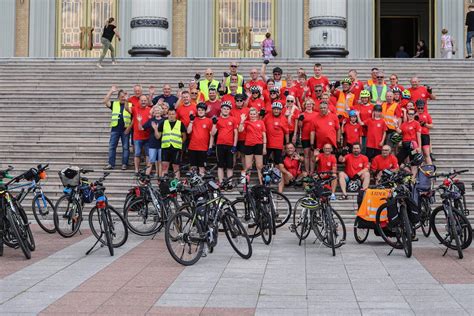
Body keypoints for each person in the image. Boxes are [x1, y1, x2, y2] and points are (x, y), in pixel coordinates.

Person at [152, 107, 187, 178]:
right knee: (164, 167)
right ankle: (163, 183)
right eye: (170, 114)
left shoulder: (180, 123)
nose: (171, 115)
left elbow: (184, 136)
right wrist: (155, 129)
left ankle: (176, 184)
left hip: (176, 148)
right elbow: (158, 137)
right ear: (167, 114)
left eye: (173, 114)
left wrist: (180, 143)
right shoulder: (163, 123)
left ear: (175, 115)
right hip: (166, 147)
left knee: (176, 167)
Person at [103, 86, 131, 170]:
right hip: (115, 129)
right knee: (112, 147)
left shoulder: (129, 104)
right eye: (121, 97)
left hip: (125, 130)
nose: (123, 98)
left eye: (124, 96)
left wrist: (129, 128)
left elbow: (133, 117)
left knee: (126, 147)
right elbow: (105, 101)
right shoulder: (114, 104)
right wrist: (111, 91)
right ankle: (111, 164)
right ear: (118, 97)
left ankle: (124, 164)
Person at [264, 102, 289, 192]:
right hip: (268, 144)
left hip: (278, 145)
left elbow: (286, 132)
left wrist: (286, 144)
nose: (276, 110)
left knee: (279, 166)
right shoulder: (267, 116)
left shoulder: (283, 118)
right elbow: (262, 128)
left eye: (278, 109)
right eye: (274, 109)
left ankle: (279, 190)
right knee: (265, 165)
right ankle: (266, 185)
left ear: (280, 110)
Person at [212, 101, 238, 185]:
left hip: (230, 145)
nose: (226, 110)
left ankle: (229, 184)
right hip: (220, 144)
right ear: (221, 109)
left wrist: (234, 145)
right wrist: (214, 124)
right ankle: (221, 182)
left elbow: (236, 133)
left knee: (230, 166)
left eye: (227, 109)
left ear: (230, 110)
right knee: (220, 165)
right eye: (224, 108)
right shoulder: (218, 119)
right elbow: (212, 133)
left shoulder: (233, 119)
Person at [239, 107, 267, 184]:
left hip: (259, 144)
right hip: (249, 145)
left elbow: (264, 135)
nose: (252, 115)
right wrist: (242, 121)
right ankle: (245, 184)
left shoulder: (261, 122)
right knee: (248, 166)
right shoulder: (246, 122)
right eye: (251, 114)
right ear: (249, 115)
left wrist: (264, 147)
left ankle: (262, 184)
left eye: (254, 114)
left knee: (259, 166)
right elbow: (240, 130)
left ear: (257, 114)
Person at [187, 103, 213, 175]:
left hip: (203, 148)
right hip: (192, 147)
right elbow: (188, 131)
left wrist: (210, 147)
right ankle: (193, 184)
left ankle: (201, 184)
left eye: (202, 110)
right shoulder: (194, 119)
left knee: (202, 168)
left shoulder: (209, 121)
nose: (200, 111)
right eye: (199, 110)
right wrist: (191, 121)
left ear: (205, 111)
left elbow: (212, 135)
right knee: (193, 168)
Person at [297, 99, 318, 175]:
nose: (309, 105)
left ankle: (312, 172)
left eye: (310, 104)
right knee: (306, 155)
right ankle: (307, 171)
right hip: (305, 136)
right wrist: (300, 120)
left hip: (314, 137)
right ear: (305, 105)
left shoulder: (316, 114)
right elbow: (300, 126)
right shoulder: (302, 114)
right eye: (307, 104)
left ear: (313, 105)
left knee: (312, 155)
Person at [142, 105, 164, 176]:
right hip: (152, 143)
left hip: (161, 143)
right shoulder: (151, 120)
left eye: (158, 110)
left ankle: (160, 177)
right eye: (155, 111)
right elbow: (143, 128)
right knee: (151, 161)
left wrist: (156, 129)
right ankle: (146, 177)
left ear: (161, 111)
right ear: (153, 112)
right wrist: (139, 122)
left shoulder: (164, 120)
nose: (157, 112)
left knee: (160, 161)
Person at [415, 100, 433, 164]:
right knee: (418, 154)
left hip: (425, 135)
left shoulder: (427, 115)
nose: (420, 109)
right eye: (418, 108)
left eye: (421, 108)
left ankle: (431, 169)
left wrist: (425, 124)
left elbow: (432, 126)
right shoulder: (413, 115)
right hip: (416, 136)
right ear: (416, 107)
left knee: (426, 153)